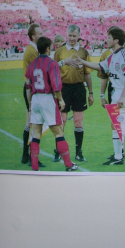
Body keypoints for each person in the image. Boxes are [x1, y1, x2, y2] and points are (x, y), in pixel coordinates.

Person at [67, 26, 125, 168]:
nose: (107, 40)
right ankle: (118, 157)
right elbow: (100, 66)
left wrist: (122, 96)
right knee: (115, 124)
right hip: (117, 93)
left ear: (116, 40)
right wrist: (83, 62)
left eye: (109, 38)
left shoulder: (124, 55)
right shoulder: (113, 56)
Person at [24, 37, 77, 172]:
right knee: (58, 132)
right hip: (47, 99)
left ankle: (34, 167)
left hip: (35, 99)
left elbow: (28, 86)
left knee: (36, 134)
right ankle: (68, 165)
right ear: (48, 48)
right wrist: (61, 100)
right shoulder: (52, 64)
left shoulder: (32, 64)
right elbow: (56, 86)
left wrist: (30, 104)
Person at [52, 25, 93, 163]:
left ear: (79, 36)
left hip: (79, 89)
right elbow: (53, 71)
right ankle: (58, 151)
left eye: (74, 36)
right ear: (67, 35)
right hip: (63, 89)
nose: (72, 38)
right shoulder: (60, 52)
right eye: (70, 35)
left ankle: (78, 152)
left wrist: (91, 93)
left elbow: (87, 74)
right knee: (62, 121)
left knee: (78, 121)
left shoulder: (84, 52)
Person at [19, 23, 40, 164]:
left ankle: (26, 155)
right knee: (33, 122)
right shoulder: (32, 51)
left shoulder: (32, 49)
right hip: (31, 89)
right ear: (33, 36)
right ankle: (30, 156)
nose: (41, 35)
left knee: (30, 121)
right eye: (39, 33)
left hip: (30, 87)